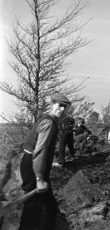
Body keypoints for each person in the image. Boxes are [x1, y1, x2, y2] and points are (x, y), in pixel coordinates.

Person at [18, 93, 71, 230]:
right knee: (33, 207)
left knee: (48, 205)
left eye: (66, 107)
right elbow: (40, 151)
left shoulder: (49, 121)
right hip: (33, 167)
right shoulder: (49, 123)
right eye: (60, 105)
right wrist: (39, 178)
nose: (62, 110)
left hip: (32, 164)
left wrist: (50, 163)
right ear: (52, 104)